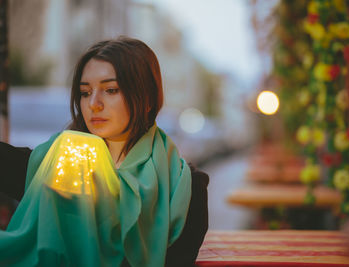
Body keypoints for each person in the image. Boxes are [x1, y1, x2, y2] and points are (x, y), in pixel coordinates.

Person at [0, 36, 209, 266]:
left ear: (147, 97)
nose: (94, 104)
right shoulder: (60, 163)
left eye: (110, 90)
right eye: (85, 92)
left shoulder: (185, 187)